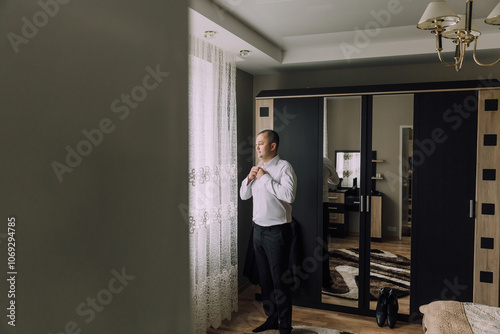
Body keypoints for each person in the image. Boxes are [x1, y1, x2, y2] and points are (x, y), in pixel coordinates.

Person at [240, 129, 297, 334]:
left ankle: (285, 326)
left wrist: (264, 179)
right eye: (256, 143)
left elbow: (289, 196)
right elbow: (244, 195)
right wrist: (250, 177)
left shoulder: (284, 167)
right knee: (265, 280)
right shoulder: (257, 168)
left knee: (280, 280)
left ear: (272, 146)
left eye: (260, 143)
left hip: (277, 232)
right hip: (258, 232)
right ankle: (271, 319)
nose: (256, 147)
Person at [322, 156, 340, 289]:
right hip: (322, 204)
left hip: (303, 203)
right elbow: (335, 181)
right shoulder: (325, 161)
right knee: (321, 242)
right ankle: (324, 279)